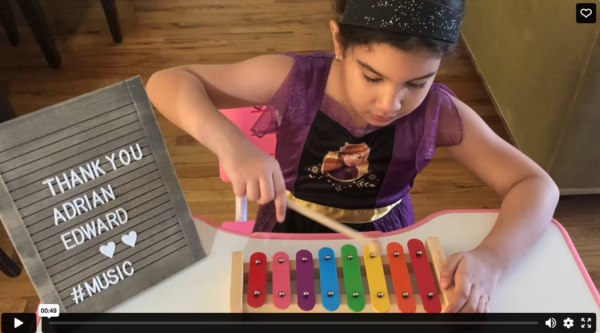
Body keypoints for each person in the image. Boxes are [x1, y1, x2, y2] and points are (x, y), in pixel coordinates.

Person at [147, 0, 559, 314]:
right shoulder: (294, 81)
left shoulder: (437, 112)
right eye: (372, 76)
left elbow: (536, 186)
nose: (390, 103)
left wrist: (491, 260)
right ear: (338, 41)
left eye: (417, 82)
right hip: (287, 234)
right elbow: (167, 81)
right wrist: (231, 143)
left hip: (383, 241)